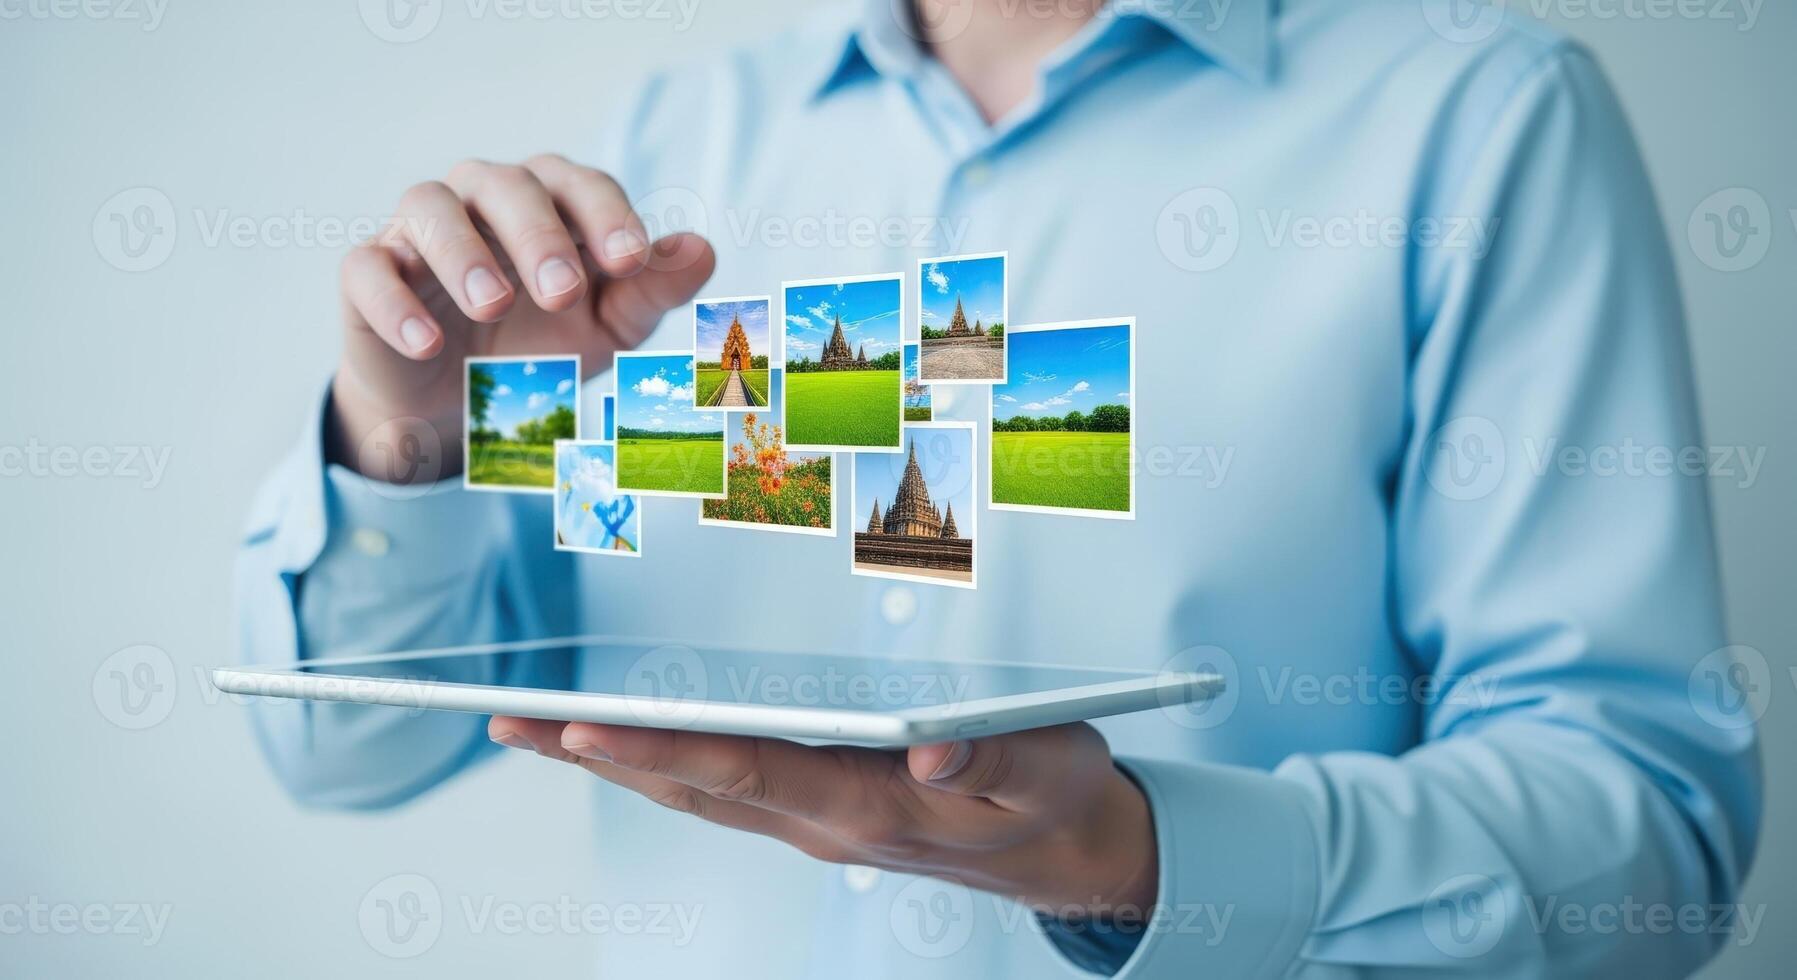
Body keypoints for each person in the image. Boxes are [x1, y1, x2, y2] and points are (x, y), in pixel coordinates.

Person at [236, 0, 1761, 975]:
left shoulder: (1479, 120)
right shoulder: (660, 150)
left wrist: (1137, 864)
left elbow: (1646, 839)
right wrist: (408, 426)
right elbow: (345, 752)